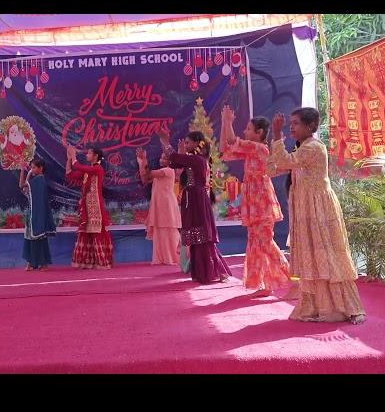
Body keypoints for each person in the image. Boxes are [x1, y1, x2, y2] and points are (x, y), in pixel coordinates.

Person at [270, 108, 366, 324]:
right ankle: (317, 306)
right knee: (313, 255)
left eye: (296, 123)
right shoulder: (304, 147)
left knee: (326, 255)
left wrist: (276, 135)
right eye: (290, 123)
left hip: (318, 209)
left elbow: (285, 162)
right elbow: (279, 165)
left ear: (310, 126)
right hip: (308, 208)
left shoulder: (312, 147)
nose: (291, 127)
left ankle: (339, 308)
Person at [219, 106, 291, 297]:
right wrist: (224, 123)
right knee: (255, 242)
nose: (245, 131)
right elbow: (224, 150)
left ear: (259, 133)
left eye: (249, 129)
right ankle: (265, 285)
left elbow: (233, 140)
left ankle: (294, 279)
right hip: (253, 202)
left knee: (265, 242)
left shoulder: (259, 148)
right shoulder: (251, 151)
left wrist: (228, 122)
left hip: (262, 202)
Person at [156, 128, 232, 284]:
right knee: (197, 236)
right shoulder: (194, 159)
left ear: (197, 143)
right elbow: (174, 161)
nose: (186, 143)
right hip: (193, 199)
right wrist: (172, 147)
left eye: (188, 142)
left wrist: (165, 140)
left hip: (197, 200)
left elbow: (174, 157)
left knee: (202, 236)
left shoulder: (198, 159)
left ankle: (212, 272)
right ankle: (206, 272)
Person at [65, 145, 113, 269]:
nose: (87, 155)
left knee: (97, 232)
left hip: (95, 207)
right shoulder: (87, 170)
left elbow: (78, 166)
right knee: (86, 233)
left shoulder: (98, 169)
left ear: (95, 156)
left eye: (89, 153)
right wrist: (69, 159)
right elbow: (70, 174)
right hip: (87, 207)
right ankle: (88, 262)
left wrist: (74, 157)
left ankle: (102, 262)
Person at [136, 149, 182, 265]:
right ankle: (161, 257)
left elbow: (148, 174)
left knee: (168, 229)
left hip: (167, 205)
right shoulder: (160, 172)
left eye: (165, 158)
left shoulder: (168, 170)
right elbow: (144, 179)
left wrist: (144, 161)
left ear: (170, 161)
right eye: (161, 158)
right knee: (159, 229)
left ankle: (173, 257)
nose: (162, 160)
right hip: (158, 203)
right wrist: (141, 162)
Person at [19, 158, 56, 270]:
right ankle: (31, 262)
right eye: (31, 167)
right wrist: (23, 171)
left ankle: (42, 263)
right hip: (32, 213)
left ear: (41, 168)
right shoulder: (35, 182)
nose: (32, 169)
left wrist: (27, 174)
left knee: (38, 238)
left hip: (37, 214)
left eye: (34, 167)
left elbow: (22, 185)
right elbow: (22, 186)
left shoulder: (39, 181)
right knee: (30, 237)